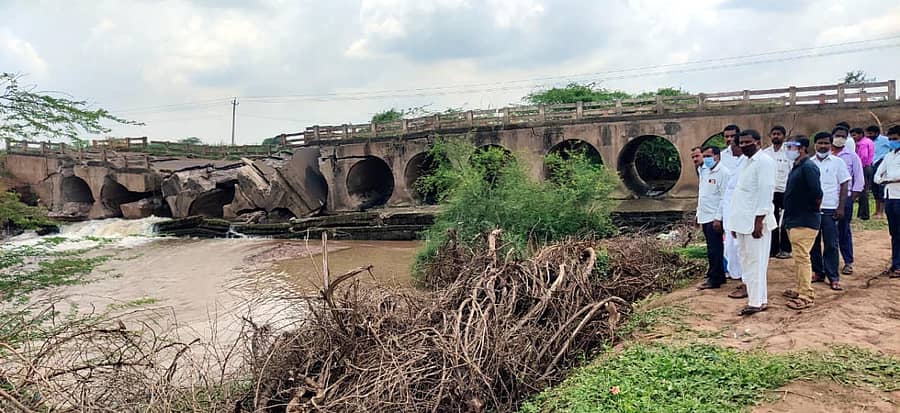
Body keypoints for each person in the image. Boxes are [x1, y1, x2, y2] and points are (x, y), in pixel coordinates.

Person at [725, 129, 776, 316]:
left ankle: (756, 302)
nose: (744, 145)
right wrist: (733, 224)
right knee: (747, 262)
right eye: (742, 143)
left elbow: (765, 193)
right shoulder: (747, 162)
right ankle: (758, 299)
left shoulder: (764, 162)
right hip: (742, 222)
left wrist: (759, 221)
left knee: (756, 263)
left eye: (748, 142)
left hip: (755, 223)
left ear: (758, 142)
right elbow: (741, 195)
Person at [781, 136, 823, 310]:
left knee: (802, 257)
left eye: (792, 147)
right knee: (798, 257)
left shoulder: (808, 167)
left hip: (805, 220)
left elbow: (817, 193)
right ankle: (800, 288)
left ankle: (806, 295)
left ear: (802, 148)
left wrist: (809, 211)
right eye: (787, 146)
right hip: (793, 219)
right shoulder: (797, 166)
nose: (789, 150)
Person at [810, 132, 851, 291]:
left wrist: (841, 207)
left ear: (831, 145)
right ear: (815, 145)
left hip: (830, 209)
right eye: (820, 143)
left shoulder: (838, 163)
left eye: (826, 143)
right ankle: (818, 272)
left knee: (831, 244)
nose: (823, 146)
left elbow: (844, 184)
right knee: (813, 243)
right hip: (812, 210)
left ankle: (833, 277)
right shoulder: (809, 163)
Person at [696, 146, 731, 290]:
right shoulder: (704, 171)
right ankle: (718, 275)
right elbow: (703, 194)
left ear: (717, 156)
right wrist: (698, 214)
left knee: (715, 248)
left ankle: (714, 278)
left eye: (709, 156)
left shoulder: (723, 173)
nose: (706, 159)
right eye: (704, 156)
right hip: (705, 215)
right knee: (711, 248)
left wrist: (718, 218)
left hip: (714, 217)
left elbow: (724, 197)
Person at [831, 127, 864, 275]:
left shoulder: (852, 156)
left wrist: (851, 198)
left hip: (845, 198)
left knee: (844, 230)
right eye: (837, 136)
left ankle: (848, 262)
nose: (840, 139)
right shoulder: (826, 155)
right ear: (832, 136)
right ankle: (829, 262)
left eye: (843, 137)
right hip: (828, 200)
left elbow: (859, 178)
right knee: (828, 232)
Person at [721, 136, 746, 298]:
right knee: (731, 246)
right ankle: (737, 275)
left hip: (740, 213)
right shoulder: (736, 162)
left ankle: (746, 281)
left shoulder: (748, 163)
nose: (731, 149)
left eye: (734, 145)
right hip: (730, 212)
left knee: (740, 247)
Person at [763, 125, 793, 259]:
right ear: (770, 136)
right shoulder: (765, 153)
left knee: (786, 221)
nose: (776, 136)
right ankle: (773, 249)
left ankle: (786, 249)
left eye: (778, 134)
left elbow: (792, 172)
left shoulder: (789, 153)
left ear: (784, 136)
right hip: (770, 192)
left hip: (786, 191)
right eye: (774, 134)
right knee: (771, 220)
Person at [874, 125, 900, 277]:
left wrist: (888, 179)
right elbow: (877, 176)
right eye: (890, 139)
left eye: (895, 139)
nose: (892, 142)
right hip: (889, 197)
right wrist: (889, 180)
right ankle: (896, 264)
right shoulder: (889, 155)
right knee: (894, 233)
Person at [869, 125, 892, 219]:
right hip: (872, 164)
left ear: (877, 133)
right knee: (874, 189)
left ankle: (881, 212)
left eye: (871, 133)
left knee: (881, 189)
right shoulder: (869, 141)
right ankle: (876, 210)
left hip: (882, 163)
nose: (869, 135)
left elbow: (892, 149)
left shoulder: (885, 140)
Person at [854, 127, 875, 220]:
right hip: (869, 166)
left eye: (855, 135)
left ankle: (865, 214)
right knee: (864, 190)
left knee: (862, 191)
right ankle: (860, 213)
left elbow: (863, 156)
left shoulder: (862, 143)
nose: (853, 137)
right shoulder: (869, 141)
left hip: (864, 167)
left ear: (860, 134)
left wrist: (859, 167)